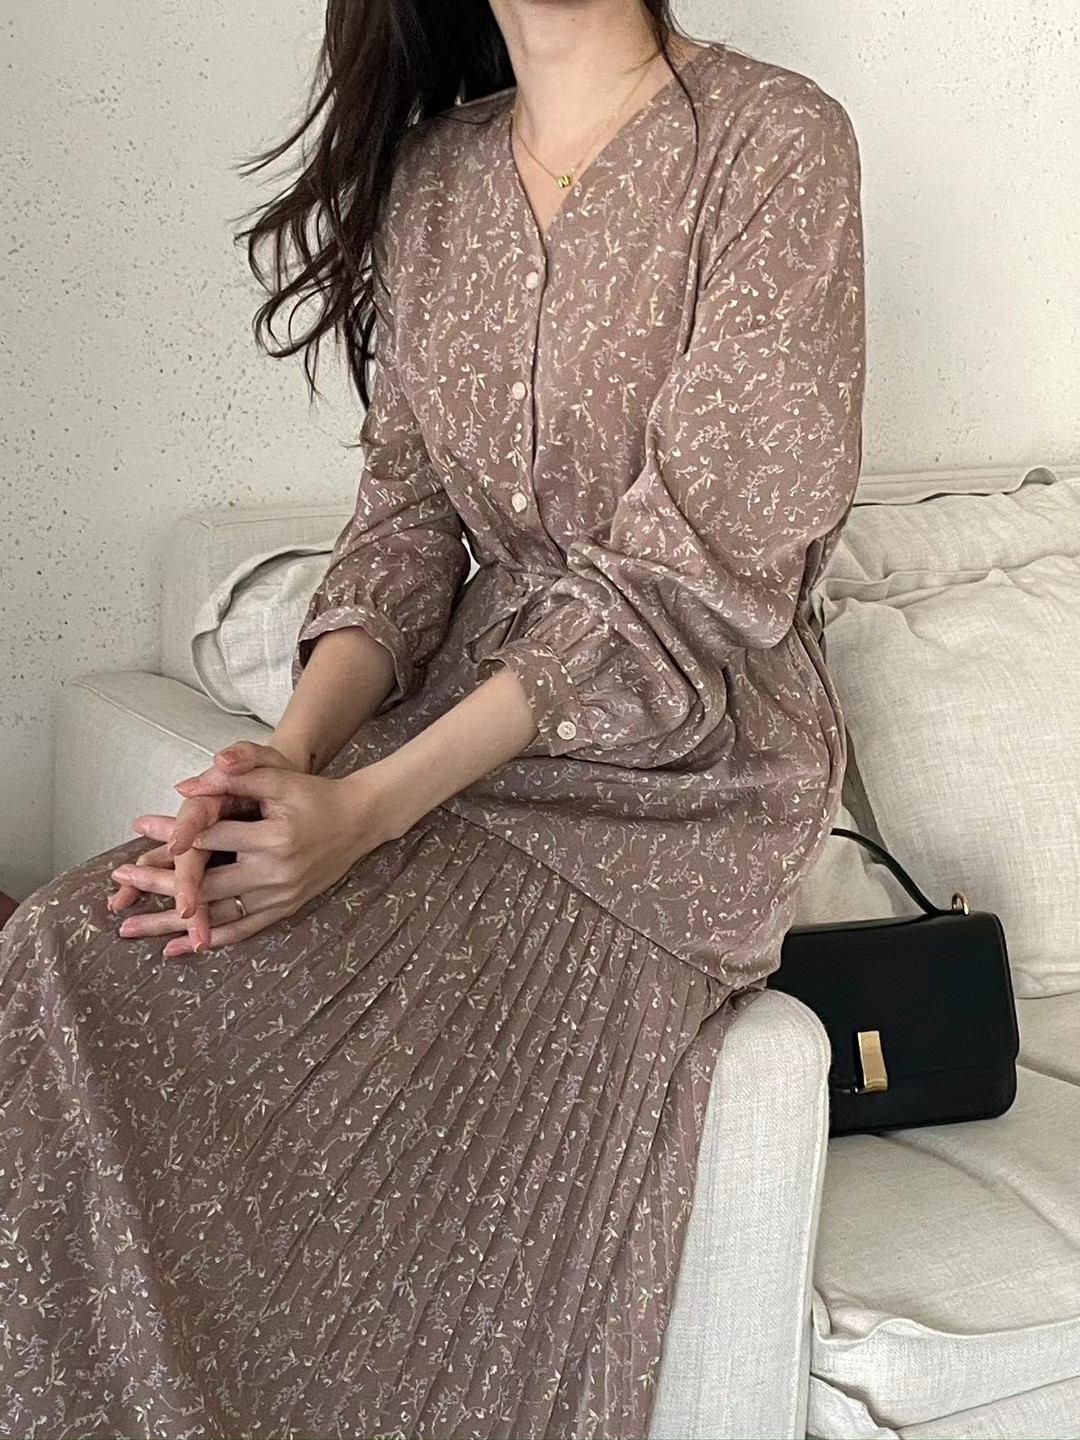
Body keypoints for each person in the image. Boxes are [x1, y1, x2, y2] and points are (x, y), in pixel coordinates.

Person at [0, 2, 866, 1435]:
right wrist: (291, 760)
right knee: (69, 953)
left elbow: (698, 571)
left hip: (682, 778)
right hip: (454, 737)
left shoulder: (774, 144)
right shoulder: (437, 179)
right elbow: (404, 526)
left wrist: (366, 811)